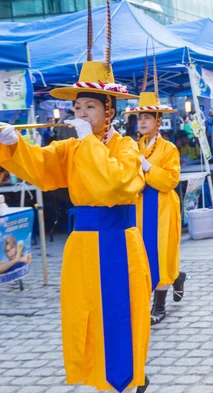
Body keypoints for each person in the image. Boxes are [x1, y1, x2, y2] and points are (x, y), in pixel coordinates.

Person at [0, 60, 151, 392]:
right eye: (78, 106)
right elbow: (41, 168)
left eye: (90, 106)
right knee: (84, 311)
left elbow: (114, 185)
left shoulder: (125, 147)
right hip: (83, 243)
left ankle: (128, 377)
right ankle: (99, 376)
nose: (82, 113)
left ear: (108, 111)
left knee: (119, 313)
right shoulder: (71, 147)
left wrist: (89, 142)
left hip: (119, 240)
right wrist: (13, 145)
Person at [126, 89, 187, 326]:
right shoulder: (133, 146)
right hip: (139, 206)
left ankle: (159, 305)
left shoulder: (168, 148)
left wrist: (148, 168)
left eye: (147, 118)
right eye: (139, 118)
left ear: (158, 121)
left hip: (161, 206)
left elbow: (170, 181)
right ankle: (177, 277)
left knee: (160, 252)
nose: (141, 122)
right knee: (142, 252)